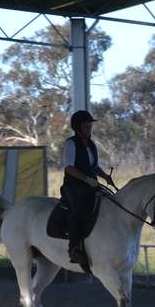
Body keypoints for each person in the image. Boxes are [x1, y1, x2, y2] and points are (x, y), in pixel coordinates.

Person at [60, 109, 113, 264]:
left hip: (91, 185)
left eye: (90, 125)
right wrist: (86, 179)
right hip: (74, 187)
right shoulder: (71, 143)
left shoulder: (92, 144)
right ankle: (74, 248)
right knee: (79, 211)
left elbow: (94, 166)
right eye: (87, 125)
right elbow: (69, 168)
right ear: (77, 127)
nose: (90, 128)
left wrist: (105, 177)